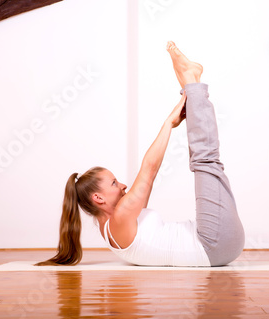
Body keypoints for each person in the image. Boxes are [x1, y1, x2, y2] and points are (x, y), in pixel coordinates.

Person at [36, 42, 245, 267]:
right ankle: (191, 81)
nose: (123, 185)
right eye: (114, 183)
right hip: (213, 243)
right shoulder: (120, 217)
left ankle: (191, 82)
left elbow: (148, 181)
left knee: (206, 160)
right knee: (205, 160)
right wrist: (168, 123)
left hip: (214, 244)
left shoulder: (116, 225)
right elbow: (149, 170)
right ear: (99, 198)